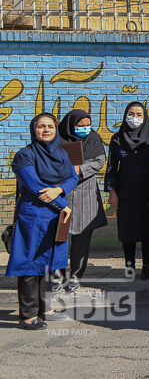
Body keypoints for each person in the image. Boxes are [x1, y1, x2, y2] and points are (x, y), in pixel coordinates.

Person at [7, 114, 78, 330]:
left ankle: (44, 309)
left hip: (56, 216)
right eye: (41, 126)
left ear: (56, 130)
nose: (46, 130)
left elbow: (73, 177)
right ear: (33, 129)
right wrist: (63, 203)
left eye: (50, 126)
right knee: (30, 263)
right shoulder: (25, 155)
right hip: (34, 215)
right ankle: (28, 315)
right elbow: (35, 186)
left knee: (50, 263)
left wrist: (59, 189)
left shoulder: (62, 153)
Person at [105, 102, 149, 280]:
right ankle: (129, 265)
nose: (134, 118)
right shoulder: (117, 139)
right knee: (127, 231)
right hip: (126, 192)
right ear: (125, 115)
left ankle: (147, 264)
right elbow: (111, 167)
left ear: (145, 117)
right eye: (131, 114)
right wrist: (112, 191)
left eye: (139, 115)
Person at [55, 109, 107, 292]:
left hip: (85, 194)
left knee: (82, 238)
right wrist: (66, 170)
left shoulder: (93, 138)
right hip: (62, 193)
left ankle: (76, 275)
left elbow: (100, 160)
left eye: (87, 125)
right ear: (71, 125)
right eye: (80, 125)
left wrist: (80, 169)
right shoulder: (57, 138)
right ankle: (57, 276)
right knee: (59, 237)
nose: (85, 129)